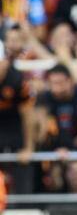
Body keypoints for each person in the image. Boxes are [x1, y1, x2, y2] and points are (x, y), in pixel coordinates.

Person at [0, 41, 35, 193]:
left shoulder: (17, 79)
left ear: (5, 62)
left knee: (22, 169)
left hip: (15, 129)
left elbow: (28, 115)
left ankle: (23, 205)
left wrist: (28, 147)